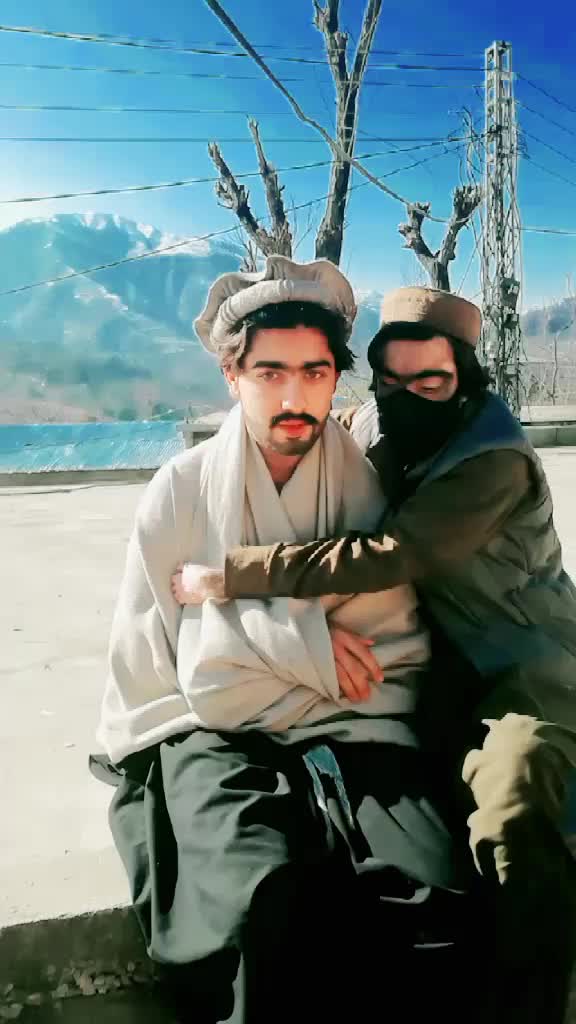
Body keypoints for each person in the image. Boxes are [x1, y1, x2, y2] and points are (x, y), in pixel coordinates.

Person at [93, 262, 477, 1024]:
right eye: (270, 372)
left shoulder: (364, 490)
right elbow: (189, 673)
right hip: (210, 731)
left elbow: (385, 656)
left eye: (315, 372)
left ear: (337, 380)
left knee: (437, 895)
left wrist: (241, 632)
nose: (295, 397)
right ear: (232, 376)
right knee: (257, 902)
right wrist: (308, 641)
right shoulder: (179, 493)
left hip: (357, 722)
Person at [182, 286, 576, 1022]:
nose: (407, 397)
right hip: (431, 669)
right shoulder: (376, 422)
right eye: (391, 380)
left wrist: (234, 573)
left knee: (510, 808)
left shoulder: (491, 460)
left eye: (431, 381)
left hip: (521, 670)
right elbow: (323, 438)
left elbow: (391, 553)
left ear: (465, 381)